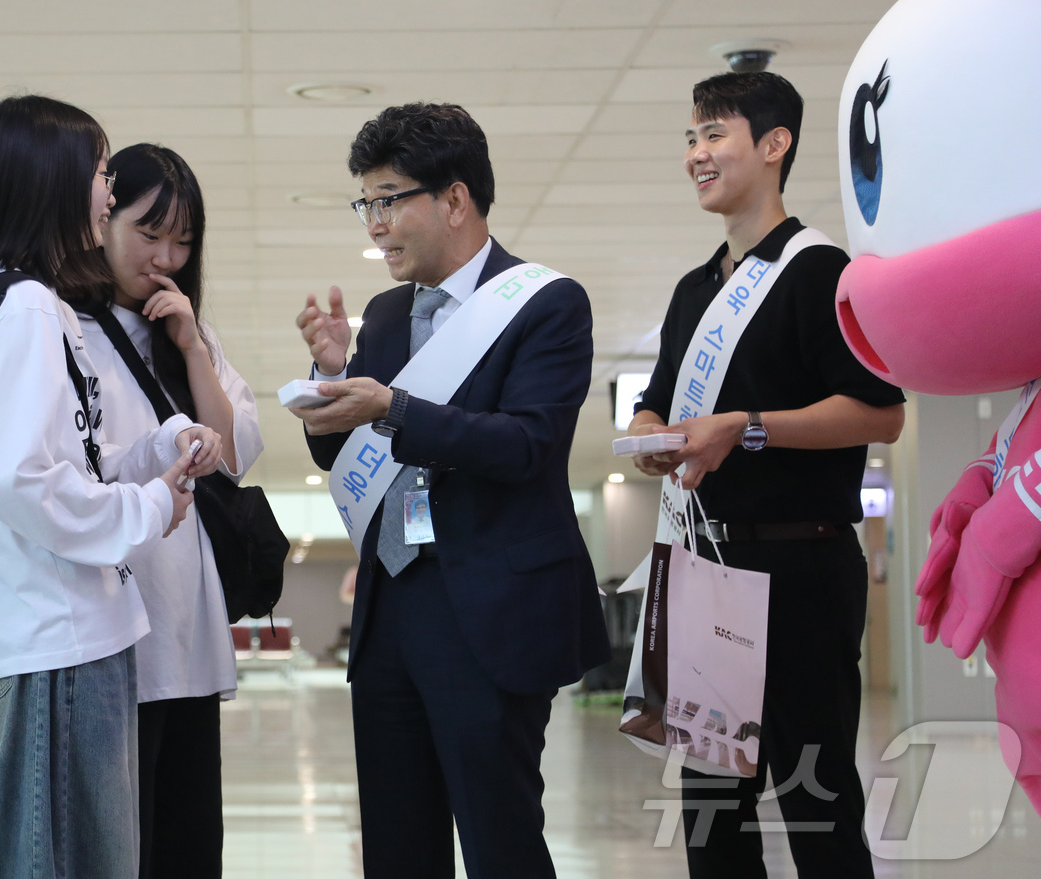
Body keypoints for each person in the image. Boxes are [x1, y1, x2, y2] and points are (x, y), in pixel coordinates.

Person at [292, 102, 610, 879]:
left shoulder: (545, 303)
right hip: (392, 609)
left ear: (456, 200)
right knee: (397, 845)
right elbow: (345, 454)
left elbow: (527, 445)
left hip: (491, 613)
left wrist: (394, 406)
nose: (375, 223)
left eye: (390, 199)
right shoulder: (388, 314)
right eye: (367, 203)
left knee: (500, 840)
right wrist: (333, 373)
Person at [628, 72, 906, 879]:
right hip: (707, 567)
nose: (697, 154)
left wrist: (745, 429)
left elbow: (879, 412)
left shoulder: (823, 273)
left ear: (774, 144)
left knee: (813, 799)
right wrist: (651, 436)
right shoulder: (692, 290)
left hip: (801, 566)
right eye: (690, 138)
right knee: (712, 811)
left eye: (715, 135)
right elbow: (653, 405)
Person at [0, 96, 221, 879]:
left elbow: (62, 462)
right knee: (65, 857)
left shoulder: (10, 301)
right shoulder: (29, 306)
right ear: (55, 179)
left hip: (59, 632)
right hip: (58, 636)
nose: (107, 194)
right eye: (101, 173)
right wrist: (149, 505)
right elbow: (17, 479)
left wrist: (159, 449)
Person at [78, 142, 263, 879]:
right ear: (104, 220)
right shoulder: (67, 328)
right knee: (124, 841)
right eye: (149, 233)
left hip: (185, 624)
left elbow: (230, 452)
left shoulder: (194, 332)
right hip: (109, 625)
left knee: (189, 841)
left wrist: (189, 346)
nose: (166, 256)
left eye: (182, 241)